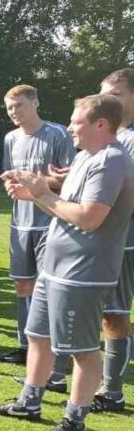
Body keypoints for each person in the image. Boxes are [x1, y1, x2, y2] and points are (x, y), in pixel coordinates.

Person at [0, 94, 134, 431]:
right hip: (55, 265)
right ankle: (29, 402)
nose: (69, 127)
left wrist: (44, 194)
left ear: (101, 124)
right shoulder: (85, 157)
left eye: (76, 121)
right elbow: (64, 207)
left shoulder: (113, 160)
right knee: (38, 336)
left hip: (83, 270)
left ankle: (73, 422)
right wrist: (34, 194)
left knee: (82, 350)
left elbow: (89, 217)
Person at [0, 85, 76, 373]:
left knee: (50, 288)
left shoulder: (57, 134)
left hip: (50, 221)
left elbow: (71, 178)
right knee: (22, 285)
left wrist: (35, 182)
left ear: (35, 103)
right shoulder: (10, 138)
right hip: (20, 222)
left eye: (19, 105)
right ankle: (26, 346)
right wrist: (12, 181)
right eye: (10, 107)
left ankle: (56, 351)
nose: (14, 112)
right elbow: (12, 177)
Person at [93, 69, 134, 412]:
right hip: (110, 238)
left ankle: (112, 393)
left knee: (115, 313)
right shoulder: (113, 136)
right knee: (108, 312)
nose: (109, 100)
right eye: (105, 94)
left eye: (117, 94)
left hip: (127, 239)